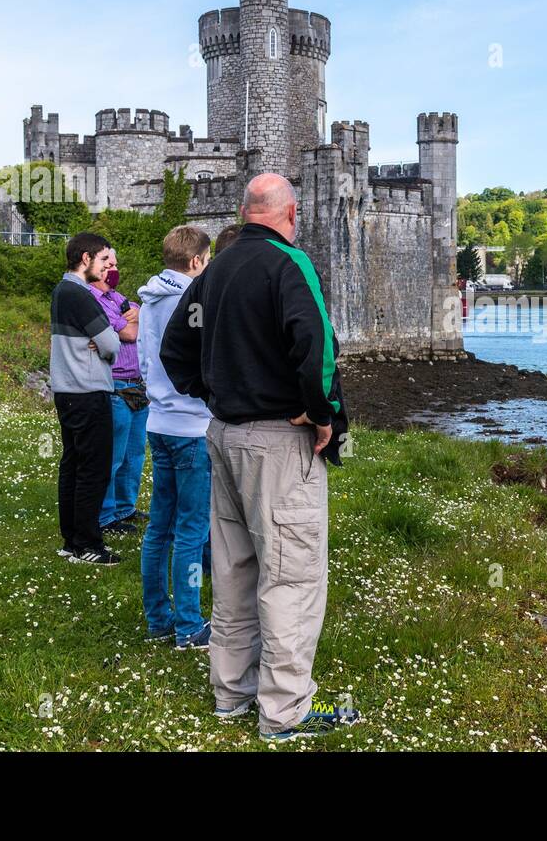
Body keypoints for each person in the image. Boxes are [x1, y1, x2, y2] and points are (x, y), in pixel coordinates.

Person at [161, 173, 357, 741]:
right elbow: (316, 347)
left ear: (246, 212)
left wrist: (217, 392)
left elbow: (177, 348)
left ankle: (231, 692)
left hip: (222, 434)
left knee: (235, 568)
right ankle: (284, 710)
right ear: (290, 214)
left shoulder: (214, 268)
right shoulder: (289, 265)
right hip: (276, 439)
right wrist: (322, 415)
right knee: (291, 575)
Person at [136, 226, 215, 650]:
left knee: (159, 528)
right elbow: (204, 359)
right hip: (191, 424)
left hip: (159, 421)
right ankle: (189, 625)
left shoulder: (148, 299)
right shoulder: (195, 298)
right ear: (196, 262)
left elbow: (146, 359)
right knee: (192, 529)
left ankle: (158, 618)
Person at [50, 233, 122, 566]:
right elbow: (111, 345)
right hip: (87, 390)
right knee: (93, 469)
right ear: (85, 258)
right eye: (104, 259)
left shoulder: (61, 291)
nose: (109, 267)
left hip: (67, 390)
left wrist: (96, 340)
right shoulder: (80, 295)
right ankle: (89, 545)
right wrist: (100, 341)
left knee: (74, 466)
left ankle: (72, 541)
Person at [90, 249, 148, 536]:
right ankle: (106, 515)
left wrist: (134, 319)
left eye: (115, 262)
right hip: (115, 384)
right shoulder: (93, 300)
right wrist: (132, 321)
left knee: (135, 452)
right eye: (108, 262)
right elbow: (130, 333)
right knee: (113, 455)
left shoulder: (120, 297)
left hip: (137, 384)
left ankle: (126, 506)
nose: (113, 267)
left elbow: (142, 322)